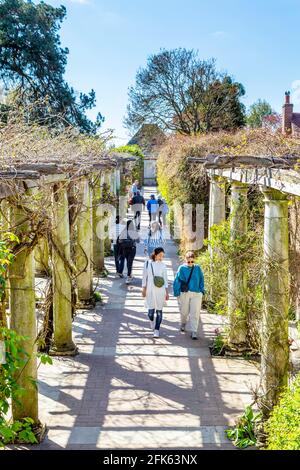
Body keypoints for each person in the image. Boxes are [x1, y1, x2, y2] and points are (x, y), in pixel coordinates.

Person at [173, 251, 205, 340]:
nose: (190, 263)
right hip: (185, 293)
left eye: (192, 261)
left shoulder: (197, 268)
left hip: (196, 293)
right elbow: (177, 281)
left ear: (194, 260)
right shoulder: (182, 268)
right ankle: (183, 323)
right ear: (185, 260)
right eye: (189, 261)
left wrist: (202, 290)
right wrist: (176, 292)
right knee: (184, 312)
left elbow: (202, 279)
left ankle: (194, 331)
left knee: (195, 312)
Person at [142, 247, 169, 338]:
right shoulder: (147, 264)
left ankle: (157, 329)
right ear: (155, 254)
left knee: (159, 311)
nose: (162, 257)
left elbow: (165, 279)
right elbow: (144, 277)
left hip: (160, 291)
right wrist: (143, 289)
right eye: (160, 255)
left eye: (163, 256)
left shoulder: (163, 265)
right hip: (150, 290)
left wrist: (167, 292)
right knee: (150, 312)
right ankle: (151, 321)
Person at [117, 220, 137, 284]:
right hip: (132, 249)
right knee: (130, 262)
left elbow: (119, 241)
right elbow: (138, 240)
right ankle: (128, 276)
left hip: (125, 249)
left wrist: (125, 241)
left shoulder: (123, 231)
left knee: (128, 262)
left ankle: (129, 274)